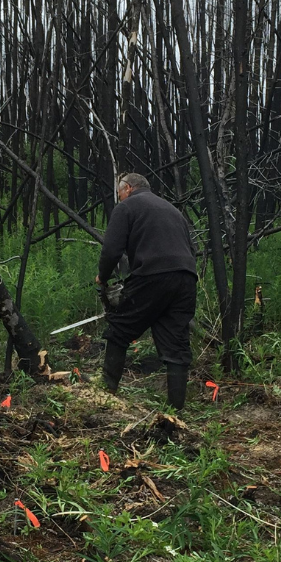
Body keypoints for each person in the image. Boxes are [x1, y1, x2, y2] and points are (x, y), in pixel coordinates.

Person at [95, 173, 197, 409]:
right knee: (176, 342)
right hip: (186, 278)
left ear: (128, 188)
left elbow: (111, 250)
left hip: (154, 275)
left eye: (119, 193)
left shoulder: (127, 207)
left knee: (119, 327)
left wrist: (103, 277)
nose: (119, 198)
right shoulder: (172, 210)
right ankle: (176, 409)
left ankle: (106, 392)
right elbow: (191, 248)